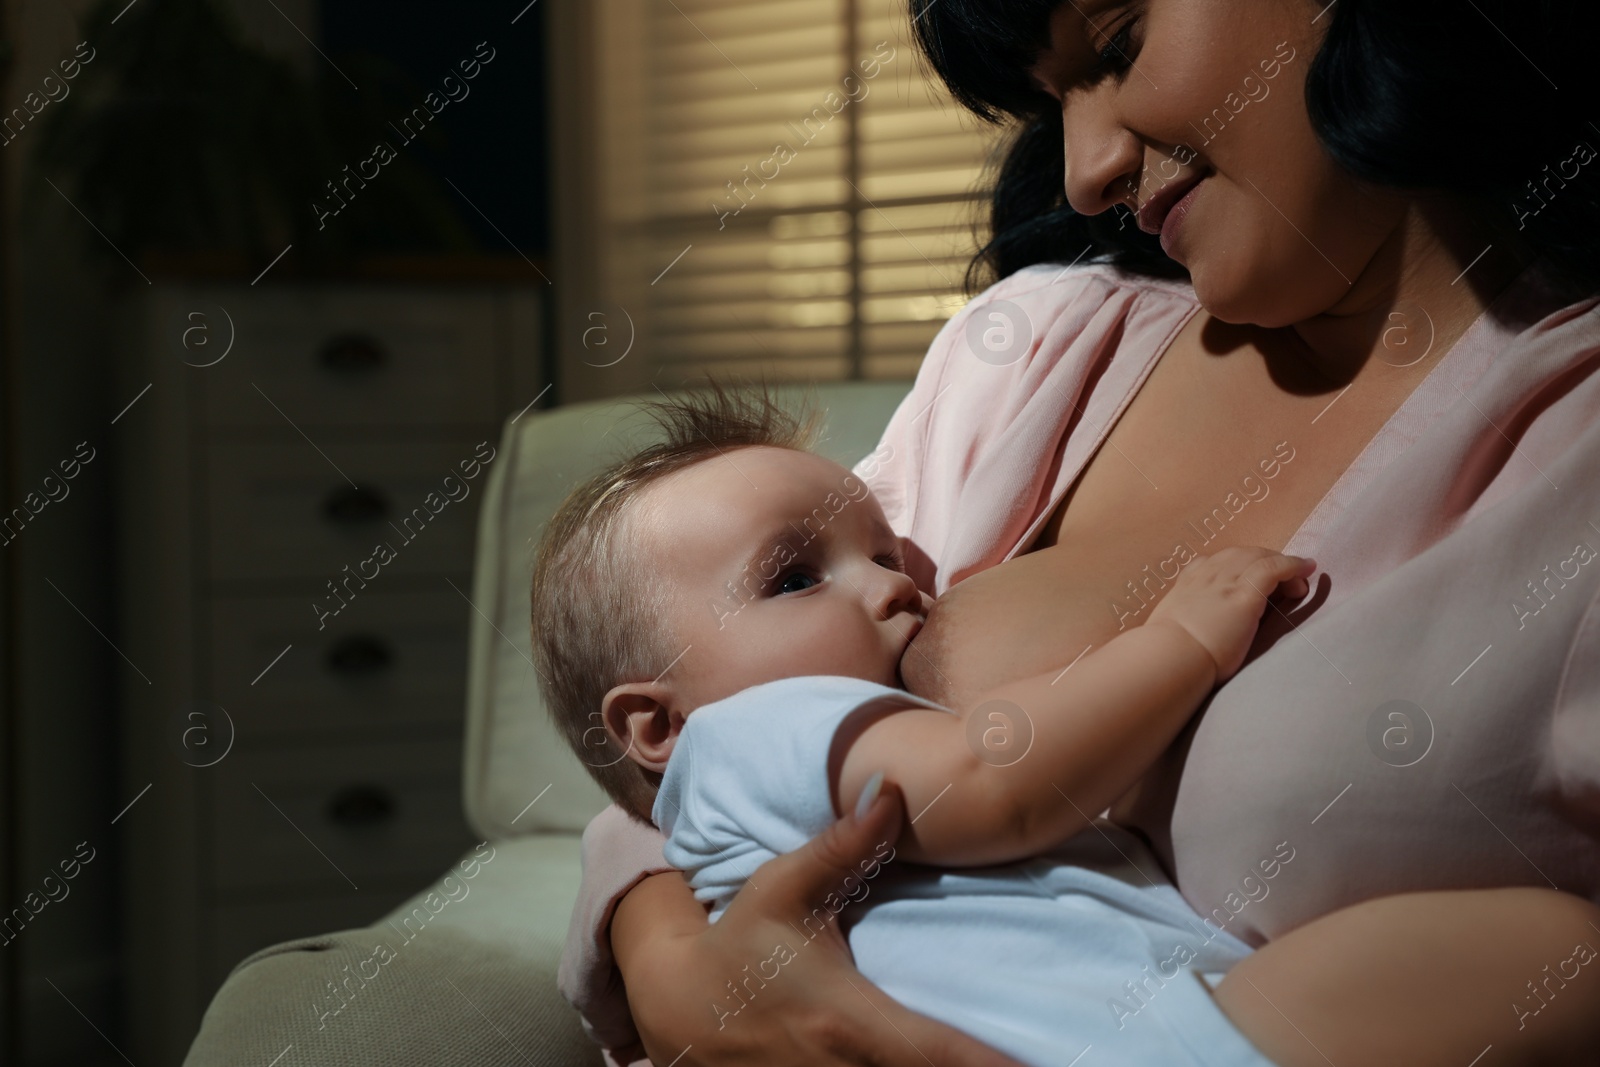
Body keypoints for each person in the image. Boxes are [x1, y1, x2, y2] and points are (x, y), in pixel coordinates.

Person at [556, 0, 1600, 1063]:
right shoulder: (1030, 349)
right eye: (1055, 103)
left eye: (1117, 48)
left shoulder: (1574, 452)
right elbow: (697, 730)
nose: (1085, 172)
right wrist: (685, 973)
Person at [531, 382, 1599, 1066]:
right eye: (796, 575)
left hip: (1141, 1016)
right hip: (1110, 1036)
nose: (896, 587)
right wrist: (1182, 638)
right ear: (657, 722)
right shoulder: (759, 731)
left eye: (887, 551)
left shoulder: (744, 771)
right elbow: (996, 782)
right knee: (1550, 950)